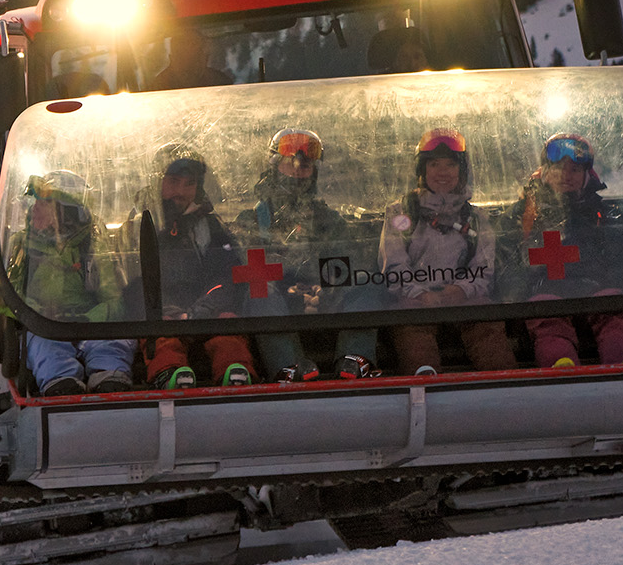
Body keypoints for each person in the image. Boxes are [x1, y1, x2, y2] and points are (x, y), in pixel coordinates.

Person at [242, 128, 379, 380]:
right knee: (259, 293)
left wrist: (325, 290)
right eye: (289, 164)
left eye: (305, 167)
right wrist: (290, 292)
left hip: (324, 300)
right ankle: (289, 366)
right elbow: (250, 269)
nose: (297, 171)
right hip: (280, 301)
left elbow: (346, 262)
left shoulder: (328, 218)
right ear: (275, 166)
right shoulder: (254, 218)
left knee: (371, 285)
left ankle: (353, 359)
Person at [377, 128, 516, 373]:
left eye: (451, 165)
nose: (443, 173)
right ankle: (425, 384)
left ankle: (504, 383)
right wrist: (420, 294)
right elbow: (394, 267)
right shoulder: (401, 213)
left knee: (486, 322)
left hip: (464, 300)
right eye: (434, 165)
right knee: (410, 325)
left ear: (461, 171)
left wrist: (462, 290)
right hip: (418, 301)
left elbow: (484, 269)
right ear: (422, 170)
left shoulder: (475, 218)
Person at [506, 132, 623, 368]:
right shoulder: (523, 214)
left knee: (614, 308)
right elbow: (507, 260)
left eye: (574, 170)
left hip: (594, 292)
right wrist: (523, 291)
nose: (566, 176)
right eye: (558, 168)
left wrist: (608, 283)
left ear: (586, 175)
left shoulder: (602, 214)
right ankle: (559, 363)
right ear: (544, 171)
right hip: (544, 292)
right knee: (547, 316)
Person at [7, 169, 137, 395]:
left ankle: (109, 376)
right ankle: (60, 381)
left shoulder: (93, 246)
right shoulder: (22, 246)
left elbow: (115, 300)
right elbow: (9, 299)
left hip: (90, 323)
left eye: (45, 202)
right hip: (44, 325)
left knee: (114, 336)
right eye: (36, 200)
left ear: (66, 211)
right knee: (40, 342)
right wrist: (39, 315)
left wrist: (87, 318)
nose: (34, 207)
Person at [146, 151, 260, 388]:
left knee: (229, 327)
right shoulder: (143, 225)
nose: (181, 191)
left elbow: (227, 273)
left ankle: (234, 370)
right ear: (158, 183)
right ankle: (169, 372)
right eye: (173, 182)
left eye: (190, 184)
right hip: (164, 313)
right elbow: (136, 280)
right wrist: (167, 309)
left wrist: (207, 306)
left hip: (208, 311)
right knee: (162, 338)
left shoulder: (209, 226)